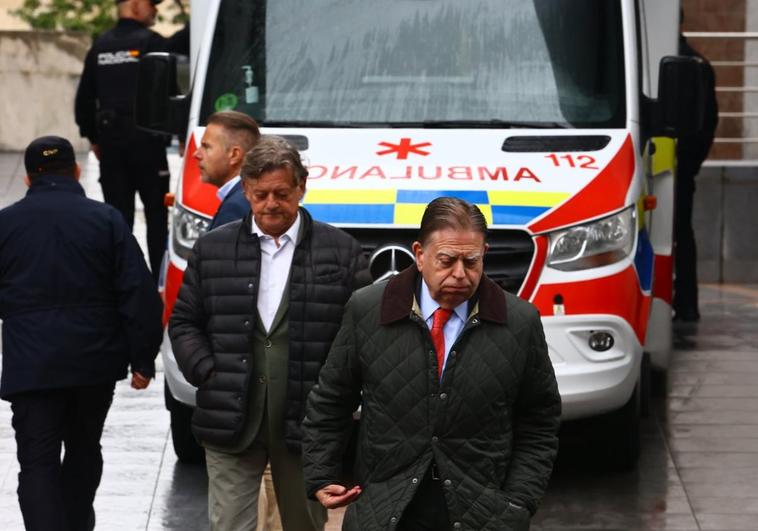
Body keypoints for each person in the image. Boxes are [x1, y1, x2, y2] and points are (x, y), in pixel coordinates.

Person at [302, 196, 562, 531]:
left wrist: (518, 501)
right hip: (385, 514)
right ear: (420, 255)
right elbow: (331, 401)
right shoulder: (367, 310)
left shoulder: (520, 321)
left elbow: (540, 421)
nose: (459, 274)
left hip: (484, 517)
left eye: (471, 262)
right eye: (447, 260)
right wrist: (321, 474)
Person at [169, 135, 369, 531]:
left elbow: (363, 331)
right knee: (229, 524)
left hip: (310, 421)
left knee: (304, 524)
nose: (271, 204)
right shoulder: (213, 250)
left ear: (301, 187)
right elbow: (184, 322)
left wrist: (342, 391)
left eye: (281, 193)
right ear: (245, 189)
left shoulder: (341, 251)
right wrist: (209, 372)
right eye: (260, 195)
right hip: (230, 417)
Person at [0, 136, 163, 531]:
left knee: (36, 461)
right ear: (76, 171)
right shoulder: (106, 220)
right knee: (84, 448)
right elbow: (138, 293)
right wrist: (143, 357)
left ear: (27, 178)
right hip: (94, 364)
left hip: (31, 365)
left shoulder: (5, 224)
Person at [74, 0, 189, 281]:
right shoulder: (152, 42)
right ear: (136, 6)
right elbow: (177, 89)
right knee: (157, 216)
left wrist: (93, 138)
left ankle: (123, 283)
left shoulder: (100, 46)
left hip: (111, 147)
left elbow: (84, 100)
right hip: (148, 146)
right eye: (151, 5)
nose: (155, 11)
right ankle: (158, 281)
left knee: (117, 219)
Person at [674, 28, 719, 322]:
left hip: (670, 167)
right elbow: (710, 122)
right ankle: (687, 304)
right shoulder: (698, 64)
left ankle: (685, 303)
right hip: (681, 168)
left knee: (676, 236)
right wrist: (692, 164)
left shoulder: (670, 64)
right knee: (682, 235)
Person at [195, 111, 260, 230]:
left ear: (234, 155)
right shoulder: (249, 195)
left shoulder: (236, 208)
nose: (197, 154)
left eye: (206, 147)